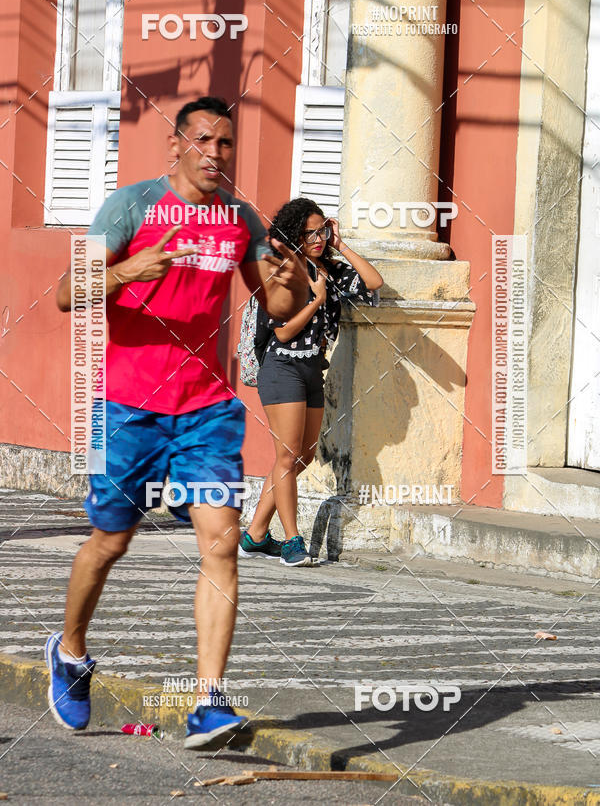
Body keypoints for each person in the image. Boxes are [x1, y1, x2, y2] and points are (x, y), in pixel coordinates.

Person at [46, 96, 308, 748]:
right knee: (110, 541)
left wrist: (290, 280)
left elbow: (273, 305)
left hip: (206, 410)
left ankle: (209, 703)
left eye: (226, 143)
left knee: (221, 544)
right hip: (124, 408)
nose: (216, 153)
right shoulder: (131, 208)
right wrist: (127, 270)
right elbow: (63, 292)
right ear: (176, 145)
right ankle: (71, 651)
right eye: (204, 141)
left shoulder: (239, 220)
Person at [238, 198, 383, 567]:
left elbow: (373, 282)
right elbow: (283, 333)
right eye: (309, 233)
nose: (317, 239)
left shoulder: (330, 270)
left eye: (322, 231)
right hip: (281, 368)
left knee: (301, 457)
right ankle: (293, 541)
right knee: (286, 457)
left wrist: (341, 244)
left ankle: (255, 535)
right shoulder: (282, 272)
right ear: (293, 236)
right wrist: (316, 301)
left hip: (312, 370)